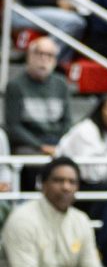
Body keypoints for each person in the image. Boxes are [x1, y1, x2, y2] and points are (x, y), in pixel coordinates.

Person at [5, 37, 72, 190]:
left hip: (57, 141)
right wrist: (40, 146)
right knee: (32, 160)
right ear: (29, 56)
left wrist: (61, 144)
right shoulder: (15, 86)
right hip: (29, 142)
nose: (44, 59)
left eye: (49, 55)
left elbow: (67, 121)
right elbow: (13, 126)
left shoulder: (61, 84)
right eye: (39, 53)